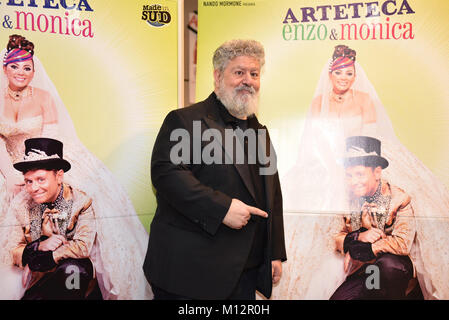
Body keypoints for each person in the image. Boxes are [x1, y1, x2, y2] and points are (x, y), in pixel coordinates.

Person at [276, 44, 449, 299]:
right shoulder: (317, 103)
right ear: (330, 74)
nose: (343, 78)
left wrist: (350, 165)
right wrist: (332, 166)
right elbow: (313, 140)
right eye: (338, 72)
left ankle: (391, 278)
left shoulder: (365, 100)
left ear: (355, 76)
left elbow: (370, 137)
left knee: (417, 203)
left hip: (359, 158)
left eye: (349, 73)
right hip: (327, 162)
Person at [0, 34, 152, 299]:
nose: (21, 72)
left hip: (42, 157)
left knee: (84, 203)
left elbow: (50, 138)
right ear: (5, 68)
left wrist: (32, 174)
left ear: (34, 70)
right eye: (15, 66)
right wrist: (13, 176)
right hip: (8, 163)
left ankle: (77, 276)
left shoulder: (44, 98)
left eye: (27, 67)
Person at [143, 39, 286, 300]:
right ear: (218, 76)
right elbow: (166, 174)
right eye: (239, 72)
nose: (248, 80)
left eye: (254, 74)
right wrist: (222, 209)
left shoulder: (260, 132)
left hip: (245, 275)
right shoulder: (184, 120)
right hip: (190, 276)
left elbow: (272, 194)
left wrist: (274, 253)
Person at [6, 138, 96, 299]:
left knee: (73, 271)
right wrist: (39, 247)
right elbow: (13, 249)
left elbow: (82, 246)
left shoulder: (81, 202)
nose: (34, 188)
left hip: (71, 271)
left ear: (59, 176)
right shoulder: (22, 206)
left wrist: (49, 257)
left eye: (41, 179)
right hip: (38, 276)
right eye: (28, 181)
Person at [330, 136, 415, 300]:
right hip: (365, 270)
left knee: (387, 266)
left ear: (377, 172)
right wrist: (358, 237)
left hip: (393, 269)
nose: (353, 181)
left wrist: (367, 249)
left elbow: (403, 244)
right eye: (349, 175)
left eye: (360, 174)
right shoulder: (347, 199)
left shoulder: (400, 199)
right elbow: (335, 237)